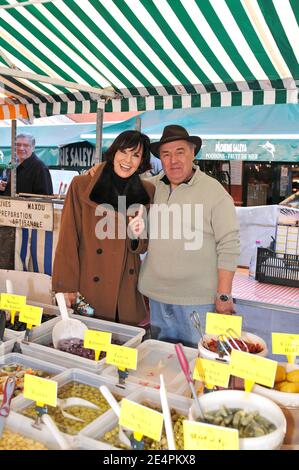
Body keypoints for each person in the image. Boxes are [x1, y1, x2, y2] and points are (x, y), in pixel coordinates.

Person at [138, 125, 240, 347]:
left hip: (199, 302)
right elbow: (117, 184)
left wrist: (224, 295)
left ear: (193, 153)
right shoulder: (149, 187)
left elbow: (229, 244)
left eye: (180, 152)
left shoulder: (214, 192)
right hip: (157, 298)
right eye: (166, 154)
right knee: (163, 364)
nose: (173, 160)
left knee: (203, 367)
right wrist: (95, 172)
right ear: (160, 159)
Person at [52, 130, 155, 326]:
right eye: (123, 152)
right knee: (86, 342)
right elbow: (68, 237)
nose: (128, 160)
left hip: (126, 286)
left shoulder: (148, 191)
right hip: (89, 286)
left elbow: (142, 246)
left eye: (136, 155)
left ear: (141, 162)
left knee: (121, 345)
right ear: (114, 152)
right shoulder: (82, 185)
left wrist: (136, 234)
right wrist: (65, 285)